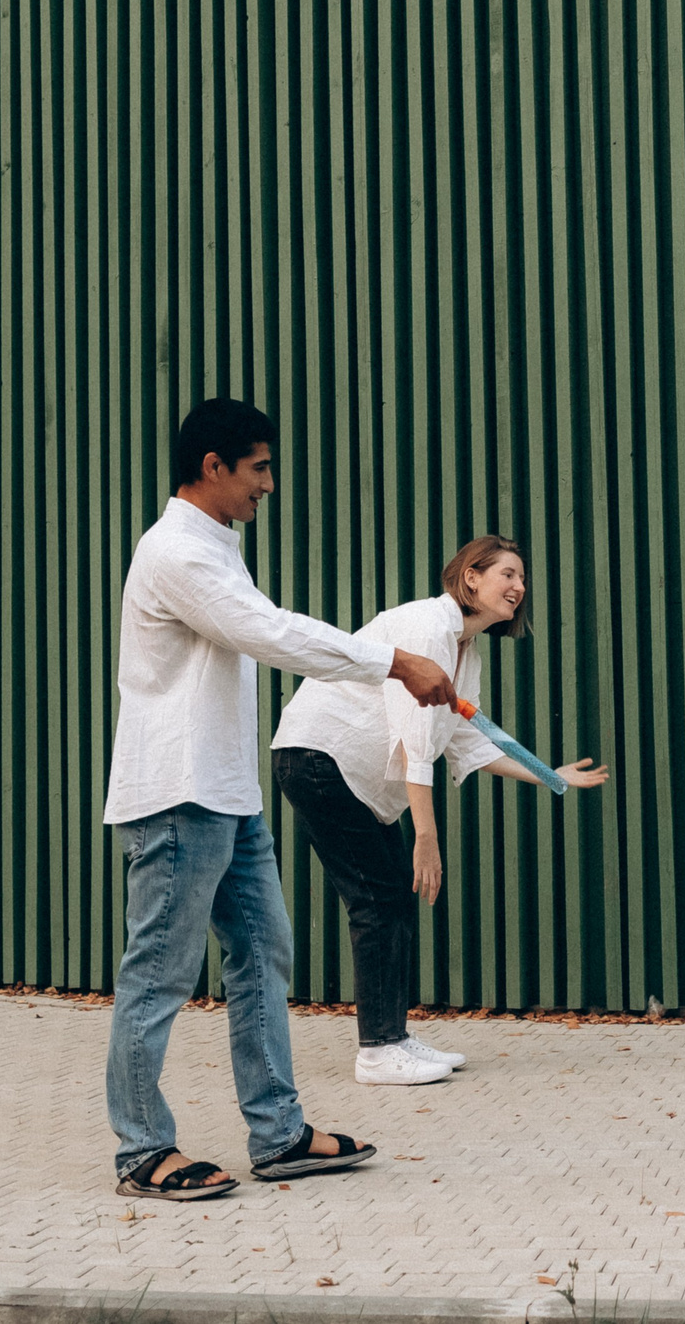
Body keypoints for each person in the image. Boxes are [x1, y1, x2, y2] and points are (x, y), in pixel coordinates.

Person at [103, 398, 458, 1199]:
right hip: (177, 796)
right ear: (213, 467)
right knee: (159, 974)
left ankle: (278, 1135)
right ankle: (141, 1150)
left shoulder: (215, 547)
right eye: (258, 468)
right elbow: (269, 633)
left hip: (228, 794)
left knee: (263, 954)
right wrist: (394, 661)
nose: (269, 484)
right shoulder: (176, 553)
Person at [272, 534, 610, 1085]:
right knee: (378, 901)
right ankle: (378, 1051)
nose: (519, 587)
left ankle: (392, 1037)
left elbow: (464, 741)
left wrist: (551, 775)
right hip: (320, 759)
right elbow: (415, 738)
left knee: (389, 901)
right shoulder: (429, 627)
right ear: (471, 576)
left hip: (340, 770)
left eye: (523, 579)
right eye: (507, 574)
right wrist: (424, 838)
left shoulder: (464, 650)